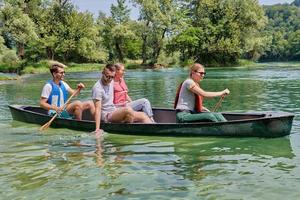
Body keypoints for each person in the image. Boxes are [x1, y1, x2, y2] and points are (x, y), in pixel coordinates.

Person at [92, 64, 152, 135]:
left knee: (143, 115)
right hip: (106, 115)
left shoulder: (111, 82)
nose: (109, 79)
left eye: (112, 77)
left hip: (114, 110)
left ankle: (154, 128)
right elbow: (98, 109)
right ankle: (125, 124)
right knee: (128, 110)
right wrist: (97, 129)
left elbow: (120, 78)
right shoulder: (97, 88)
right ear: (102, 73)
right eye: (107, 76)